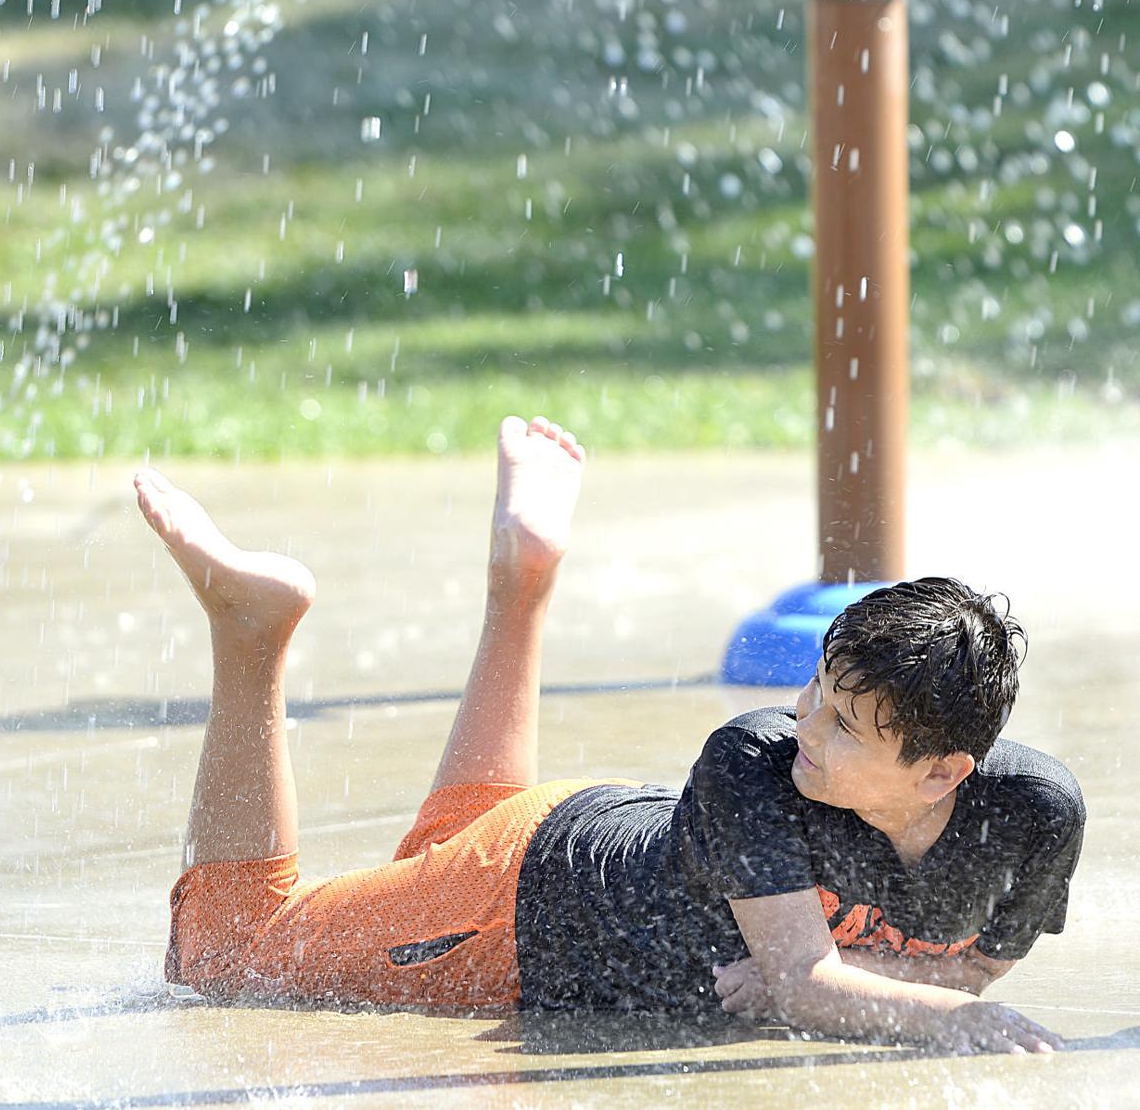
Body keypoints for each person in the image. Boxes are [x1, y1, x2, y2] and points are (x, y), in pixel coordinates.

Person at [137, 414, 1083, 1055]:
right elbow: (818, 986)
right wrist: (946, 1015)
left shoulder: (1033, 814)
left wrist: (846, 977)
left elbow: (964, 963)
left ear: (943, 772)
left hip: (546, 847)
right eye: (815, 689)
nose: (804, 718)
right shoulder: (755, 759)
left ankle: (525, 575)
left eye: (841, 724)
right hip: (522, 917)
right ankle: (250, 631)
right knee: (224, 955)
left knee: (433, 853)